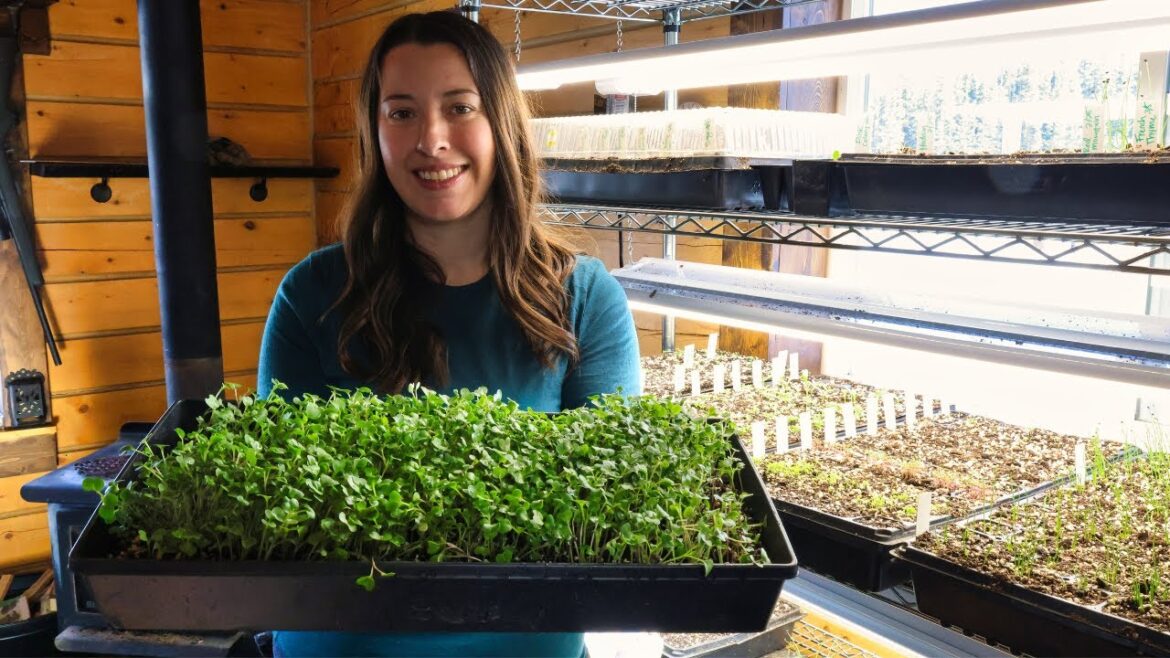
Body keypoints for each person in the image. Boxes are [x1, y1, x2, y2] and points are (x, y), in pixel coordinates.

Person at [256, 10, 641, 658]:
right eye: (402, 112)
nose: (431, 140)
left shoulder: (583, 299)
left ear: (501, 123)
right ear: (375, 131)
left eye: (460, 107)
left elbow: (612, 503)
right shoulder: (313, 295)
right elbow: (287, 504)